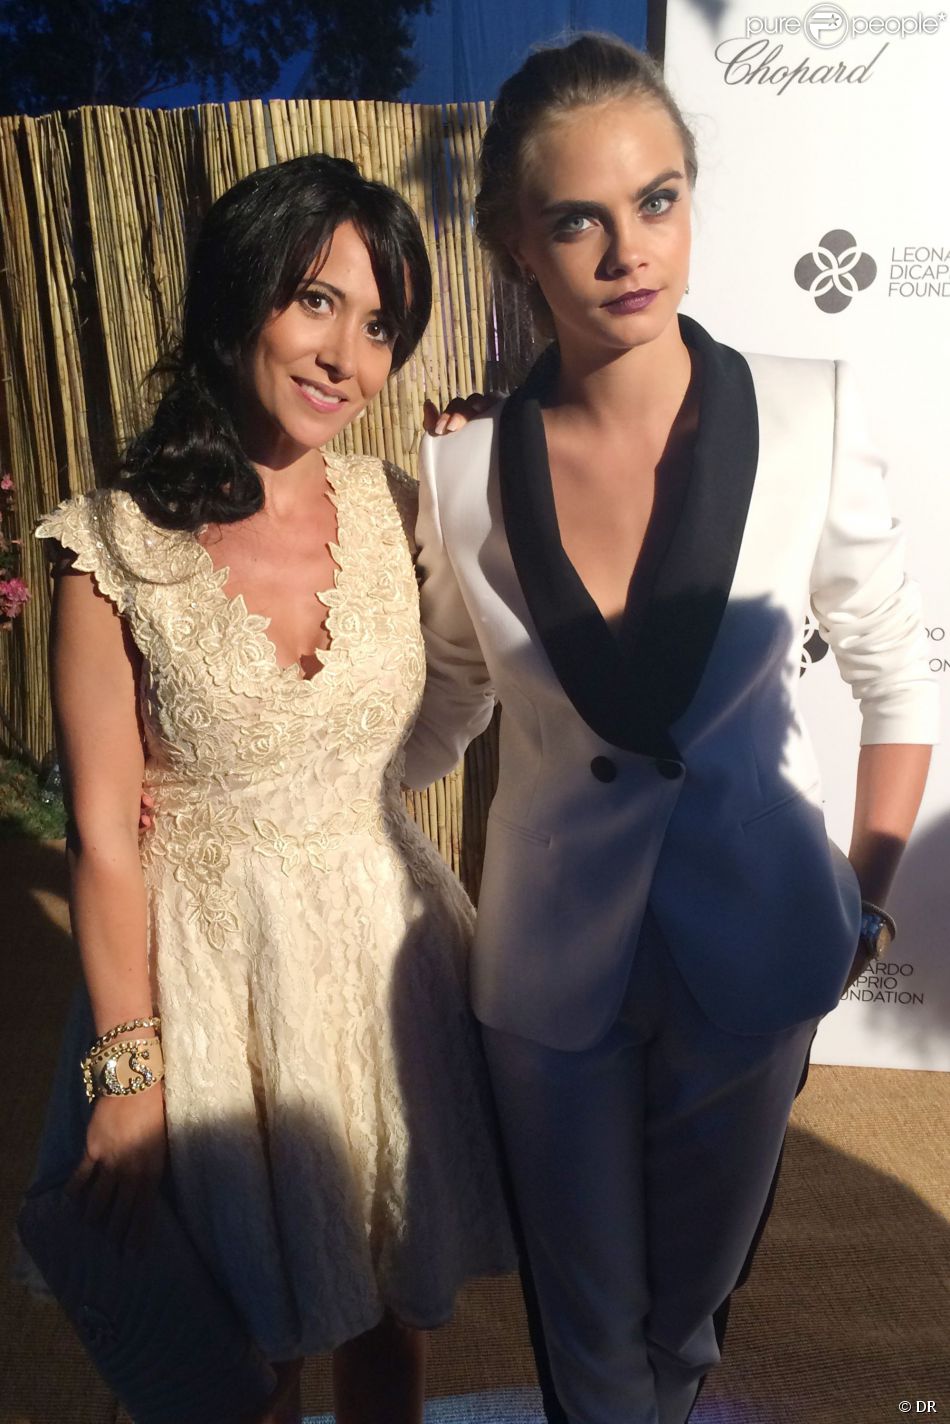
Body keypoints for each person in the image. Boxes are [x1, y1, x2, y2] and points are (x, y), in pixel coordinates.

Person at [402, 34, 937, 1424]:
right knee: (583, 1329)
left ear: (692, 202)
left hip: (756, 946)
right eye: (576, 218)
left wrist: (863, 898)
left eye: (655, 200)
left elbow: (896, 673)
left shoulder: (811, 412)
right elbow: (453, 693)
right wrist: (299, 790)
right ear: (517, 243)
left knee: (684, 1320)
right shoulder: (460, 472)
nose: (626, 249)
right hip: (547, 970)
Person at [30, 154, 513, 1424]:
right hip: (214, 976)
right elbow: (102, 836)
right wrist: (126, 1074)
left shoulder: (399, 504)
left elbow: (444, 711)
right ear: (239, 291)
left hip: (388, 958)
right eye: (315, 300)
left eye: (380, 326)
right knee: (247, 1354)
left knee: (392, 1322)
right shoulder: (110, 546)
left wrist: (478, 479)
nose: (344, 356)